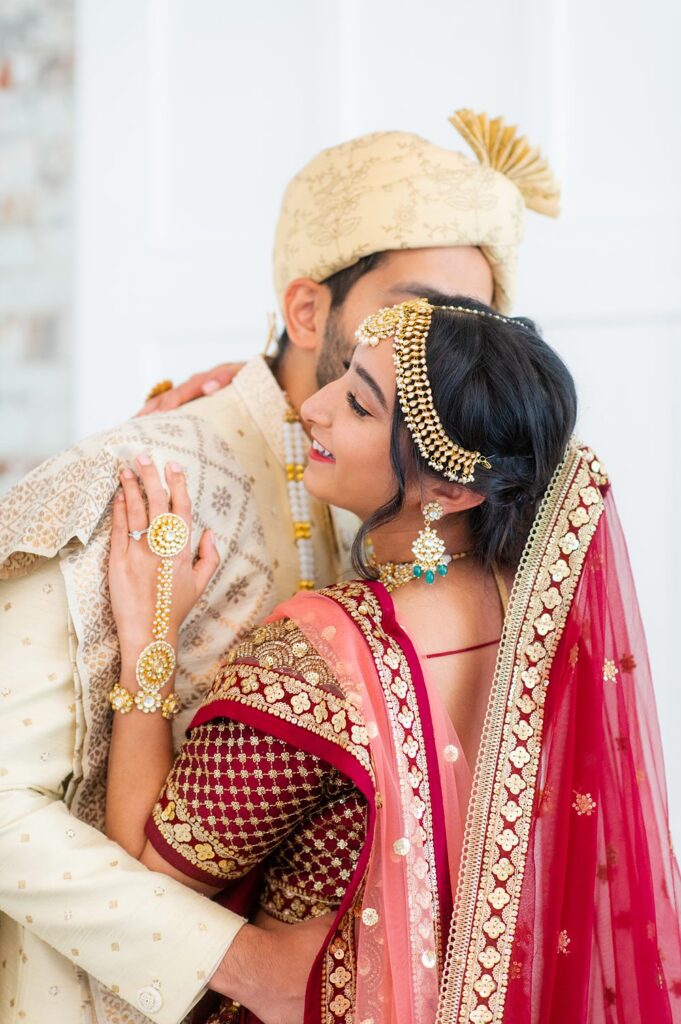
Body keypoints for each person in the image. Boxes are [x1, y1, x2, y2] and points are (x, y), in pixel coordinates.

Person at [0, 109, 559, 1024]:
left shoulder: (423, 506)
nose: (437, 350)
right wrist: (248, 964)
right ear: (307, 310)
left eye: (469, 320)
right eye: (410, 310)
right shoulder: (138, 480)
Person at [106, 296, 681, 1023]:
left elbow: (150, 879)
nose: (312, 407)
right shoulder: (547, 615)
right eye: (340, 378)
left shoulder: (315, 654)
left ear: (449, 489)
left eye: (357, 406)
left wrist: (147, 634)